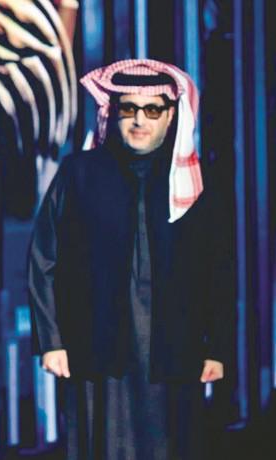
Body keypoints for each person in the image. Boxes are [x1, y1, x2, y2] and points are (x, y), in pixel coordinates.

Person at [27, 59, 233, 459]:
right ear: (113, 112)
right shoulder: (79, 174)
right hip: (93, 352)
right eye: (129, 109)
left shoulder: (195, 183)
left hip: (176, 353)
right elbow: (44, 261)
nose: (140, 120)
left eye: (152, 109)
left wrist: (218, 348)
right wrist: (51, 342)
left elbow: (219, 272)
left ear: (171, 115)